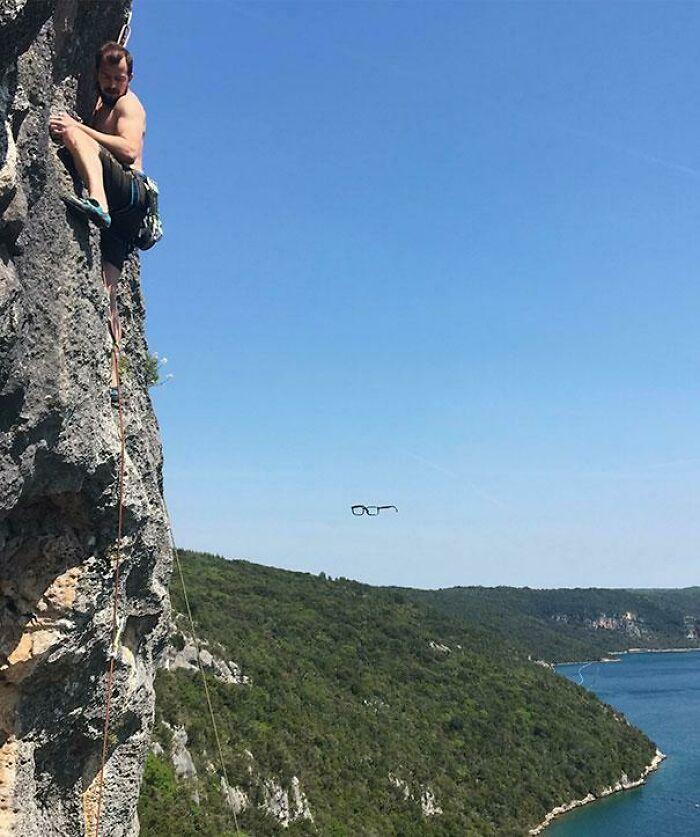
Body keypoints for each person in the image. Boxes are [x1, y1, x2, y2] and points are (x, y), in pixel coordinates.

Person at [49, 42, 148, 404]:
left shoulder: (128, 104)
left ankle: (97, 201)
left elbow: (128, 151)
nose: (111, 83)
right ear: (96, 75)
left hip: (129, 194)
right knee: (109, 289)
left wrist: (79, 127)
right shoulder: (99, 105)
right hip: (126, 220)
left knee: (75, 135)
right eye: (105, 77)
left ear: (130, 78)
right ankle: (113, 378)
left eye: (118, 78)